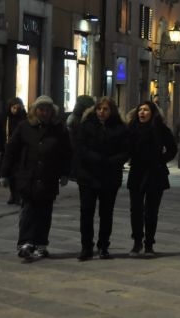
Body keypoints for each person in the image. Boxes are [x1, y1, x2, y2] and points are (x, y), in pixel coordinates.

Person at [0, 95, 72, 261]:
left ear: (51, 112)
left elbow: (67, 153)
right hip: (28, 177)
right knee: (27, 211)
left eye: (47, 110)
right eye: (41, 109)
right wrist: (4, 173)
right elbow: (11, 150)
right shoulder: (24, 126)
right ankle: (25, 242)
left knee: (44, 212)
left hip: (49, 177)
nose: (44, 112)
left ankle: (41, 244)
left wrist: (65, 173)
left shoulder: (58, 129)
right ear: (35, 110)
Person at [75, 97, 128, 260]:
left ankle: (103, 246)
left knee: (106, 213)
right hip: (88, 175)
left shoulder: (120, 128)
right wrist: (96, 158)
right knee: (86, 212)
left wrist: (111, 161)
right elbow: (80, 148)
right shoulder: (86, 126)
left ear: (111, 111)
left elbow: (126, 151)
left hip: (109, 176)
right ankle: (86, 247)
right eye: (99, 109)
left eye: (105, 109)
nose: (102, 112)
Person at [126, 101, 177, 256]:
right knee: (135, 210)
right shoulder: (132, 128)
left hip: (155, 173)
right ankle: (136, 242)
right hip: (137, 172)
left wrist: (161, 160)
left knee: (151, 211)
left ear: (152, 113)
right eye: (140, 109)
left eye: (146, 110)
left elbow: (172, 149)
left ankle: (149, 243)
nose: (142, 112)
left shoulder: (160, 129)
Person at [0, 97, 28, 205]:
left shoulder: (24, 118)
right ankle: (13, 194)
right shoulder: (5, 117)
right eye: (14, 108)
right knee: (9, 174)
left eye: (18, 107)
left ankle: (18, 195)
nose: (16, 110)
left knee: (19, 173)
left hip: (21, 150)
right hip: (8, 149)